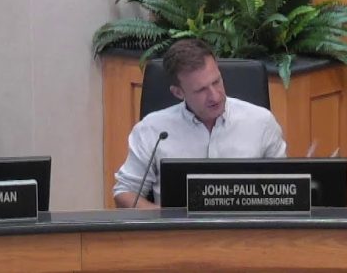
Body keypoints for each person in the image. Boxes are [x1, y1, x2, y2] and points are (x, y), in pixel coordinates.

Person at [113, 38, 287, 208]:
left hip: (246, 226)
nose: (215, 96)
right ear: (178, 92)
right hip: (177, 228)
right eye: (201, 90)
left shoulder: (261, 122)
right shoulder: (153, 130)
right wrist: (166, 221)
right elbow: (125, 192)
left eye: (216, 82)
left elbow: (286, 190)